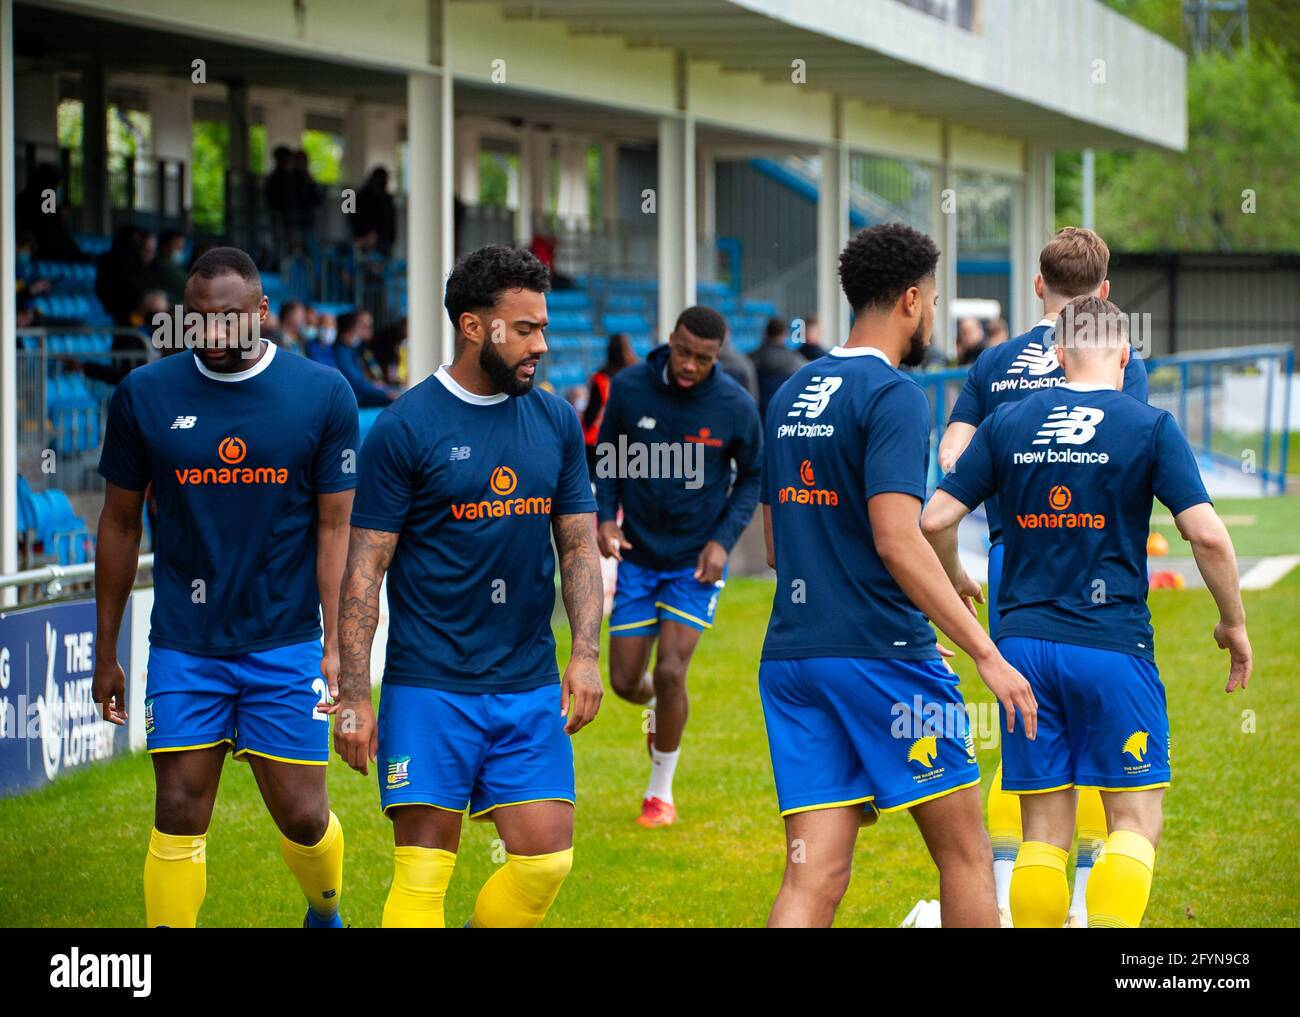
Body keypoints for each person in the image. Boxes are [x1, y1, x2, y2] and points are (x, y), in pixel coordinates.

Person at [921, 294, 1252, 929]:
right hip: (1110, 645)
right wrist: (1232, 623)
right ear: (1125, 356)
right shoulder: (1148, 425)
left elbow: (935, 520)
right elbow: (1206, 535)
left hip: (1019, 650)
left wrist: (957, 575)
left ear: (1058, 353)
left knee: (1044, 831)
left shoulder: (1009, 422)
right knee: (1133, 819)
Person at [757, 223, 1037, 928]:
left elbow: (776, 540)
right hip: (879, 655)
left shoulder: (792, 391)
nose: (935, 315)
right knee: (967, 856)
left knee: (812, 879)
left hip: (793, 656)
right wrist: (984, 649)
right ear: (911, 299)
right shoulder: (895, 395)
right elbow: (897, 540)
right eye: (936, 300)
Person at [330, 243, 604, 928]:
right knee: (424, 879)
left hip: (528, 679)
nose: (541, 343)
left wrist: (586, 652)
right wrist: (356, 696)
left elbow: (577, 543)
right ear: (475, 327)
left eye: (543, 326)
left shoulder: (554, 420)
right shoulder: (405, 427)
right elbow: (364, 567)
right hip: (431, 683)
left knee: (545, 861)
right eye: (526, 328)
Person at [92, 246, 360, 928]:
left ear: (263, 312)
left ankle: (324, 911)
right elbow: (120, 523)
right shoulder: (145, 395)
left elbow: (336, 527)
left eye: (232, 318)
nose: (215, 333)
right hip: (187, 639)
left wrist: (338, 645)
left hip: (287, 638)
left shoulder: (322, 392)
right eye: (200, 320)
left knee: (303, 815)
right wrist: (106, 648)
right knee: (179, 806)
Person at [937, 225, 1149, 927]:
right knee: (1101, 715)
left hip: (1011, 553)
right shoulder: (1120, 355)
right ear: (1106, 292)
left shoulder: (995, 361)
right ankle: (1095, 878)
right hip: (1096, 557)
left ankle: (1024, 869)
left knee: (1029, 717)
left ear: (1037, 287)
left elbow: (952, 451)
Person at [594, 306, 762, 828]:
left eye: (705, 358)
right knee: (625, 682)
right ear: (670, 340)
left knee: (671, 670)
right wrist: (605, 519)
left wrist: (722, 542)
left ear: (718, 356)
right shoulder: (629, 387)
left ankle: (659, 794)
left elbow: (753, 477)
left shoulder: (734, 404)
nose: (691, 365)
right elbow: (608, 457)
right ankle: (659, 712)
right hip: (639, 556)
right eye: (685, 352)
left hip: (696, 564)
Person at [582, 332, 637, 477]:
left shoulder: (601, 377)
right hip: (627, 439)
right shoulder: (633, 376)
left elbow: (592, 413)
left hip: (598, 439)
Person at [333, 309, 394, 407]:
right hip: (358, 398)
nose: (367, 330)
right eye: (362, 326)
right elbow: (357, 382)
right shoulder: (343, 351)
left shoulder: (360, 348)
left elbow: (373, 371)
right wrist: (383, 392)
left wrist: (378, 383)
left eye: (369, 326)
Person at [749, 316, 804, 418]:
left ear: (766, 333)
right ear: (785, 335)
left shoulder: (751, 359)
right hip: (786, 413)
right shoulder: (796, 361)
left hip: (760, 413)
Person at [353, 167, 397, 257]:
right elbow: (356, 218)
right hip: (366, 241)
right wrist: (362, 237)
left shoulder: (386, 198)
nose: (385, 182)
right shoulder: (363, 197)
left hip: (384, 243)